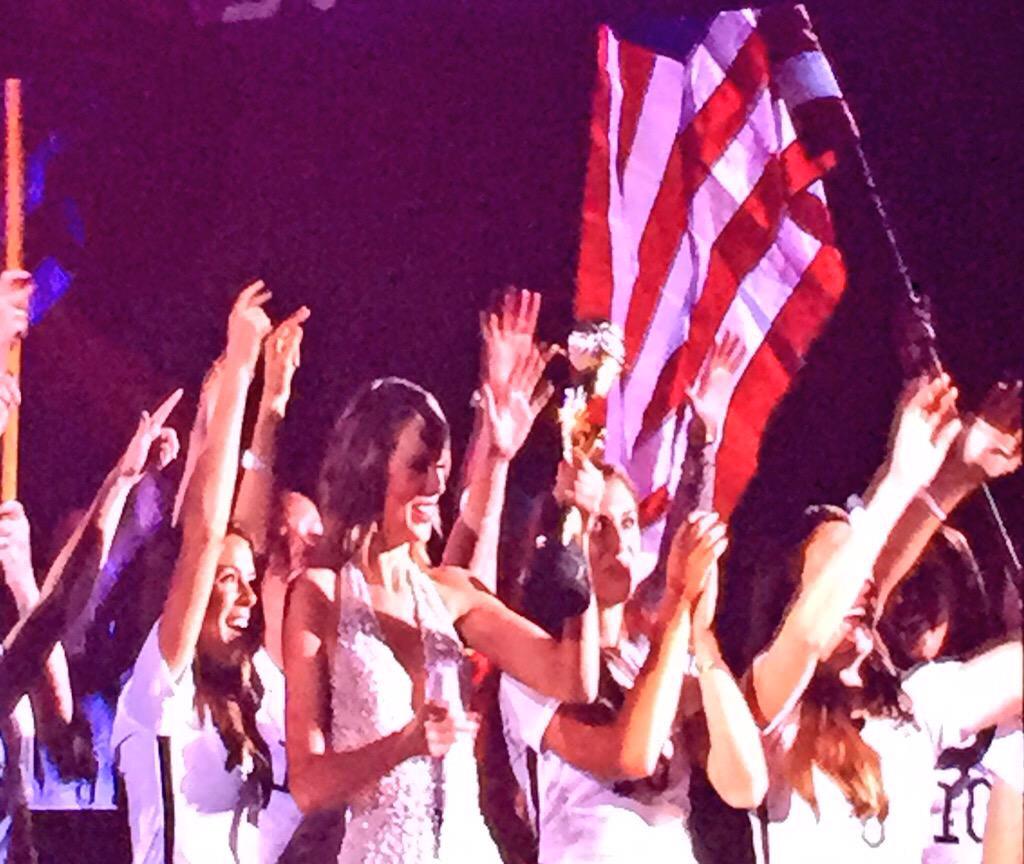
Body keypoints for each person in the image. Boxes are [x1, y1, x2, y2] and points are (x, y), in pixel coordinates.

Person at [284, 360, 601, 862]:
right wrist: (403, 744)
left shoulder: (451, 592)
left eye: (442, 469)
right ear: (370, 467)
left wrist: (578, 531)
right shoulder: (320, 596)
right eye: (419, 466)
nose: (435, 487)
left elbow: (573, 679)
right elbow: (307, 785)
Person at [747, 375, 1023, 864]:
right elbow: (810, 633)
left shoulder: (916, 712)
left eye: (863, 585)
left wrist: (958, 475)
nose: (860, 585)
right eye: (834, 579)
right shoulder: (772, 719)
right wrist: (900, 481)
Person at [113, 283, 301, 863]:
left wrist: (272, 404)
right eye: (226, 581)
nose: (248, 595)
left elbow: (244, 538)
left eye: (248, 581)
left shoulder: (259, 686)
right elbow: (205, 537)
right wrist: (241, 370)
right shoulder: (162, 686)